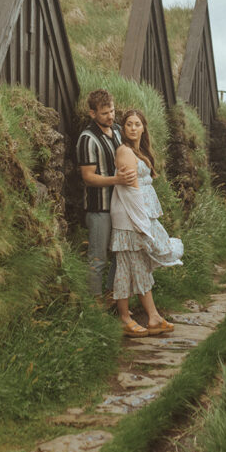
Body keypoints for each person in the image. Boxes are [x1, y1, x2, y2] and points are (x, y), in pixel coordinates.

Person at [110, 108, 183, 337]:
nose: (133, 128)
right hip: (129, 217)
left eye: (137, 124)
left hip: (140, 216)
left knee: (137, 267)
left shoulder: (139, 151)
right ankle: (130, 318)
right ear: (123, 128)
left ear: (143, 128)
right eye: (129, 124)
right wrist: (143, 226)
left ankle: (151, 317)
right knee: (128, 268)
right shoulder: (124, 151)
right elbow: (130, 192)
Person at [76, 89, 136, 302]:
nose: (110, 116)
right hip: (98, 208)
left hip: (121, 206)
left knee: (120, 255)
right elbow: (88, 177)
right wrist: (116, 180)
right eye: (104, 113)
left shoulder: (118, 131)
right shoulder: (87, 139)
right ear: (92, 113)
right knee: (98, 259)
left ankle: (112, 295)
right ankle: (94, 304)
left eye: (112, 111)